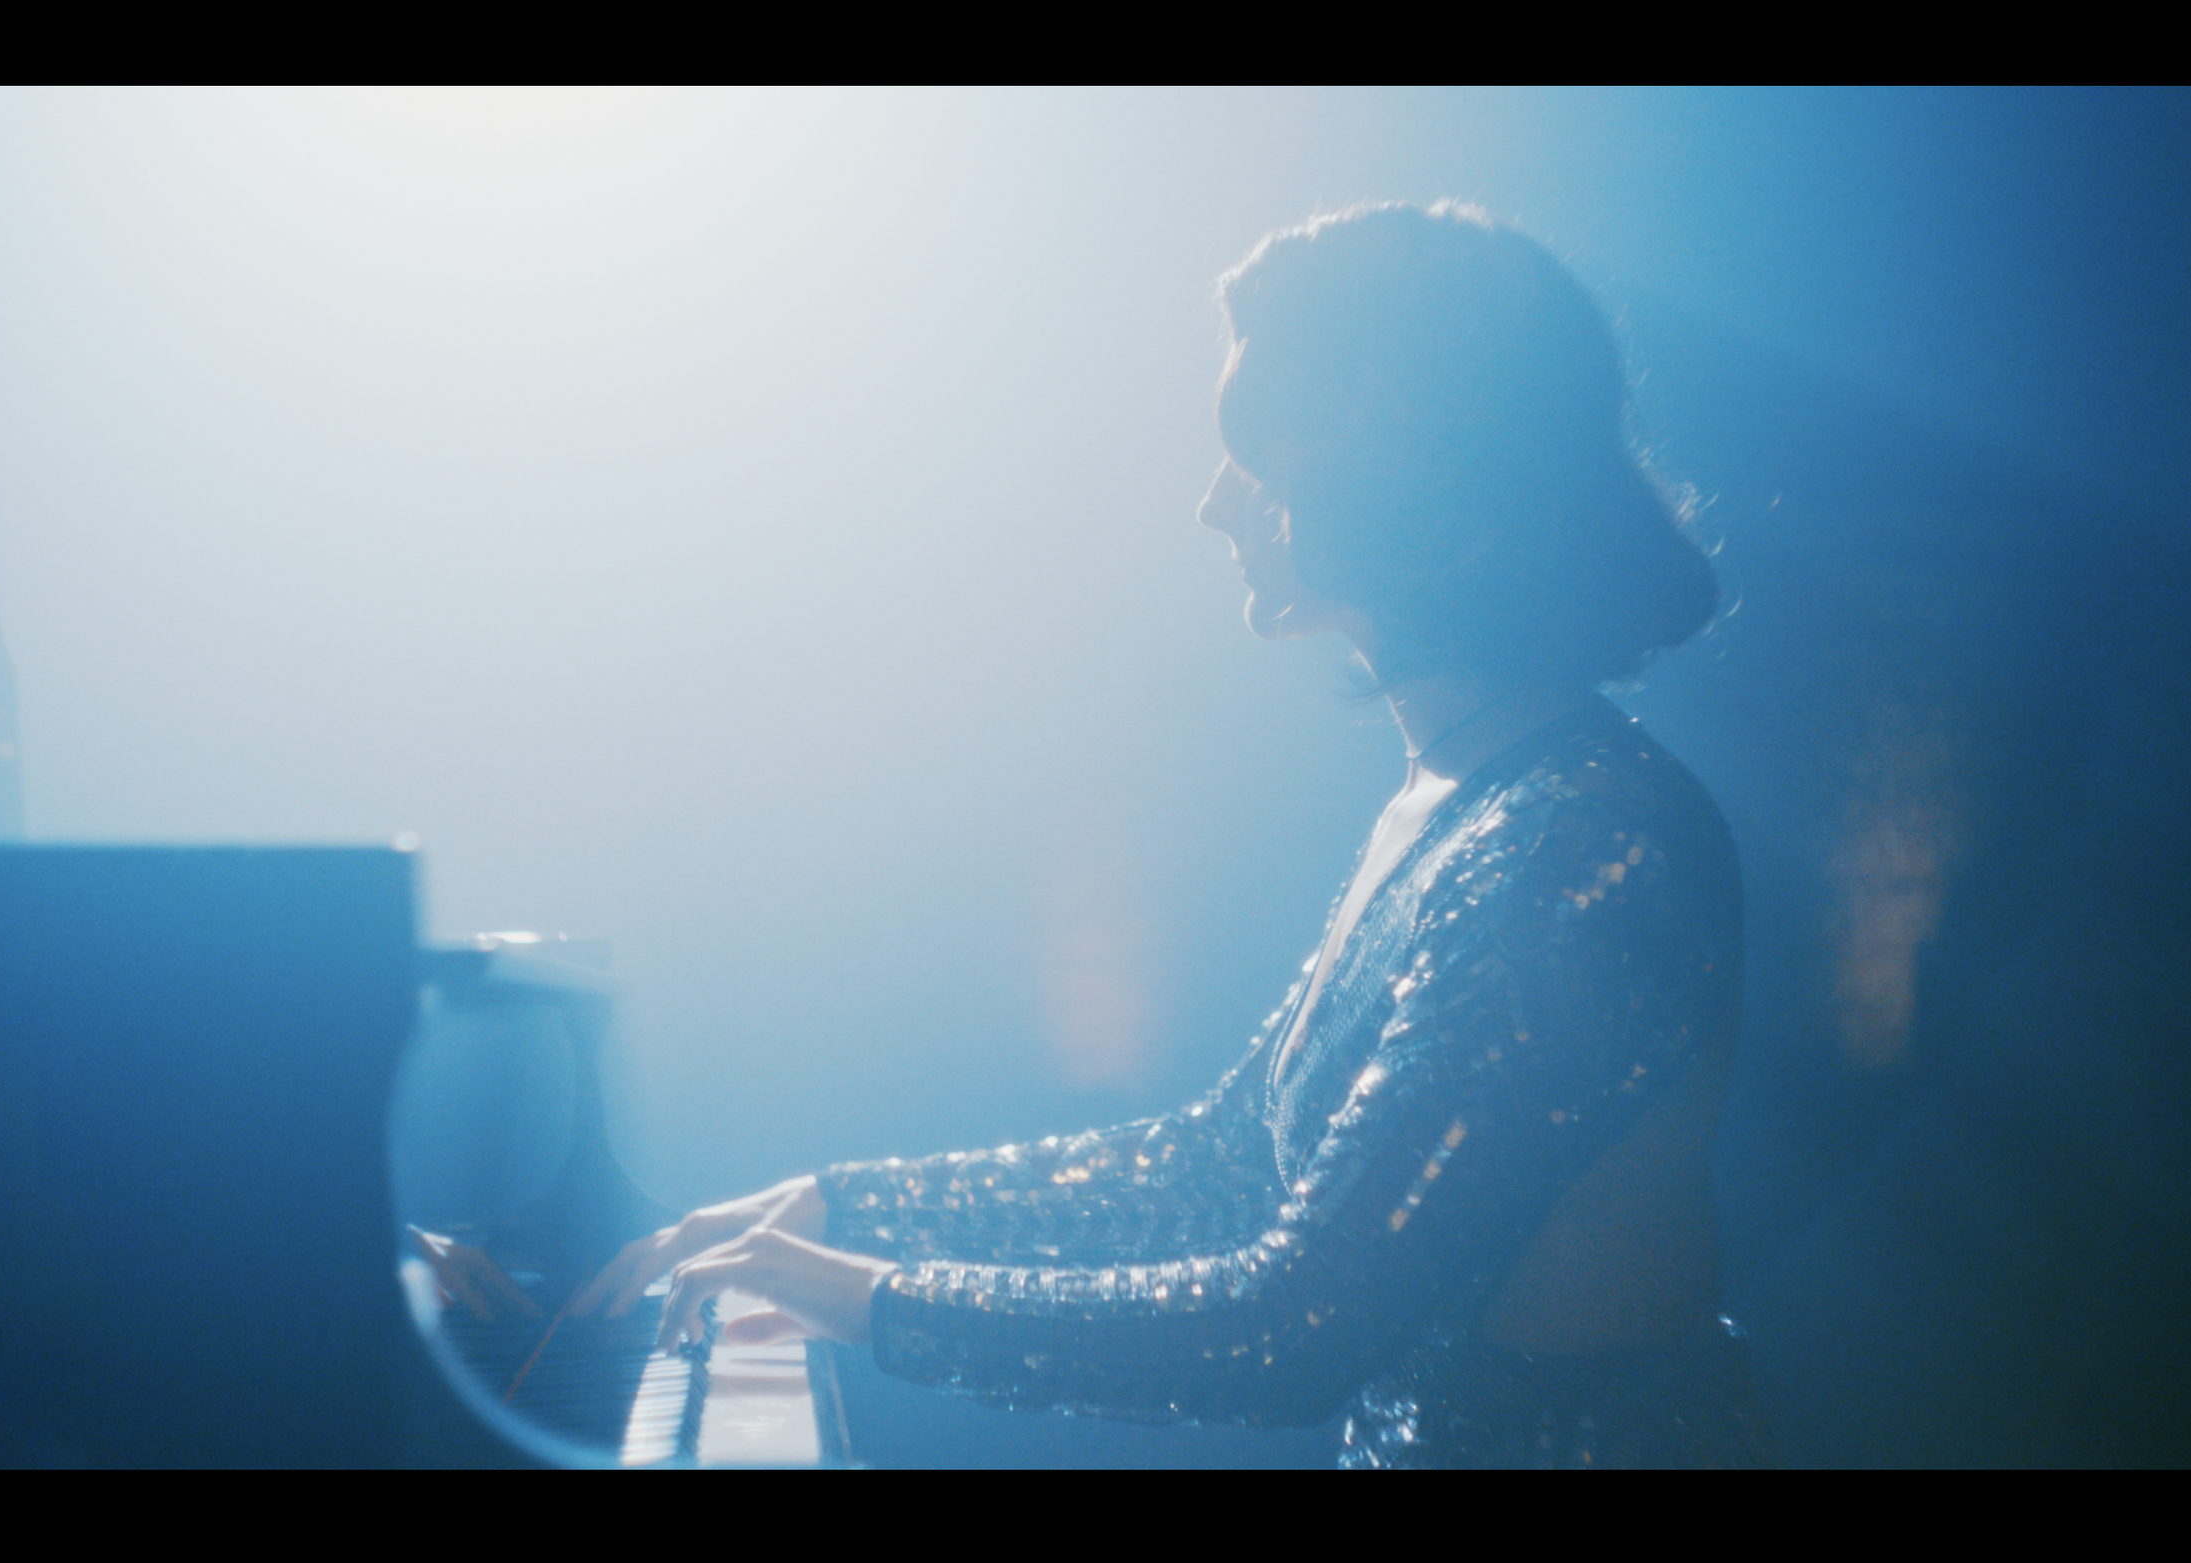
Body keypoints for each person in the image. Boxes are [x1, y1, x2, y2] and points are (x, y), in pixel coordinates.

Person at [570, 201, 1761, 1468]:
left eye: (1252, 452)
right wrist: (835, 1208)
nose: (1212, 505)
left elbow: (1292, 1331)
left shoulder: (1575, 839)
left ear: (1394, 471)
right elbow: (1225, 1163)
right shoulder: (1463, 796)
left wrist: (875, 1300)